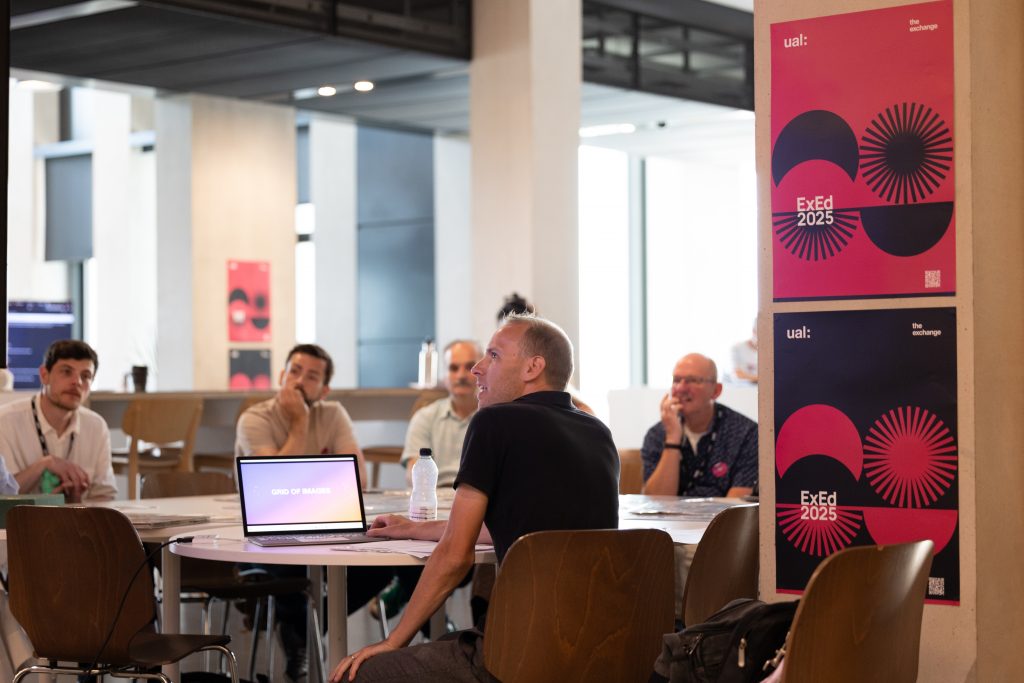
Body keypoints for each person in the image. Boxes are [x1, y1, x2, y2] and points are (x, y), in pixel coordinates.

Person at [330, 314, 619, 683]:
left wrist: (393, 641)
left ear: (534, 367)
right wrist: (417, 528)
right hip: (599, 647)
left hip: (519, 651)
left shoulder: (494, 422)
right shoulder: (597, 432)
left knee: (361, 673)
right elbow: (524, 528)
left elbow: (455, 555)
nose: (477, 370)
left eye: (494, 356)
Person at [235, 343, 383, 682]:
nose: (299, 381)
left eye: (312, 376)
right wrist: (300, 423)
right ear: (281, 375)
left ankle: (300, 626)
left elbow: (357, 477)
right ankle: (300, 626)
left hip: (326, 524)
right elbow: (270, 488)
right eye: (294, 371)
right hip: (265, 531)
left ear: (325, 389)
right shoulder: (254, 418)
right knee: (279, 565)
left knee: (381, 564)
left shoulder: (333, 414)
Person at [0, 340, 116, 502]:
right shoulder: (6, 421)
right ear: (44, 375)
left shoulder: (96, 426)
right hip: (22, 524)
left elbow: (104, 495)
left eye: (86, 376)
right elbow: (3, 497)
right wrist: (44, 465)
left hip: (77, 523)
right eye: (67, 372)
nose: (77, 382)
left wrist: (77, 503)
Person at [641, 353, 757, 498]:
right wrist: (672, 439)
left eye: (692, 380)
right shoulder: (658, 433)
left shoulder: (746, 433)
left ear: (716, 390)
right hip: (670, 521)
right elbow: (657, 500)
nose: (681, 388)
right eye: (676, 380)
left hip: (722, 520)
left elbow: (738, 507)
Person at [400, 339, 483, 487]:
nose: (461, 375)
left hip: (481, 499)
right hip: (435, 498)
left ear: (483, 370)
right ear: (445, 376)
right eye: (453, 368)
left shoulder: (496, 419)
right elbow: (414, 472)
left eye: (470, 367)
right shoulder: (424, 417)